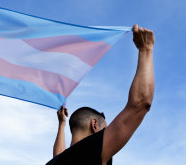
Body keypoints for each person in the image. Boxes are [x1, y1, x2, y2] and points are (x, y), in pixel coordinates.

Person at [46, 24, 155, 165]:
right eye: (106, 128)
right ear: (95, 125)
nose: (108, 133)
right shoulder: (88, 151)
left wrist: (62, 124)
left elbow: (58, 155)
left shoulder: (56, 162)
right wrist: (146, 49)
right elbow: (140, 104)